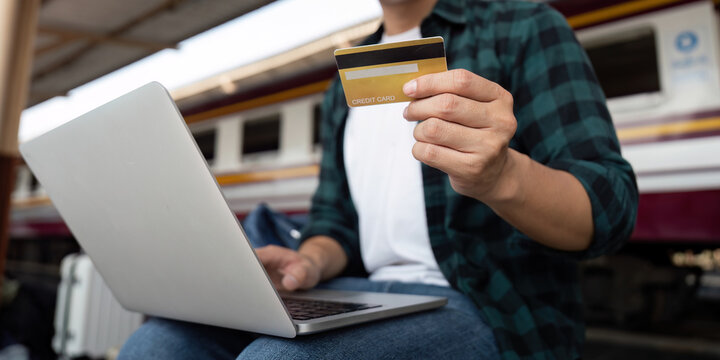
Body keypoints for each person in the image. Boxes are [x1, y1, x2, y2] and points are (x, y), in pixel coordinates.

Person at [119, 0, 638, 359]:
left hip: (479, 305)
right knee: (156, 346)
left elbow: (609, 209)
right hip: (357, 292)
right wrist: (309, 261)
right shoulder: (342, 83)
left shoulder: (524, 27)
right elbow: (335, 223)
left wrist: (503, 176)